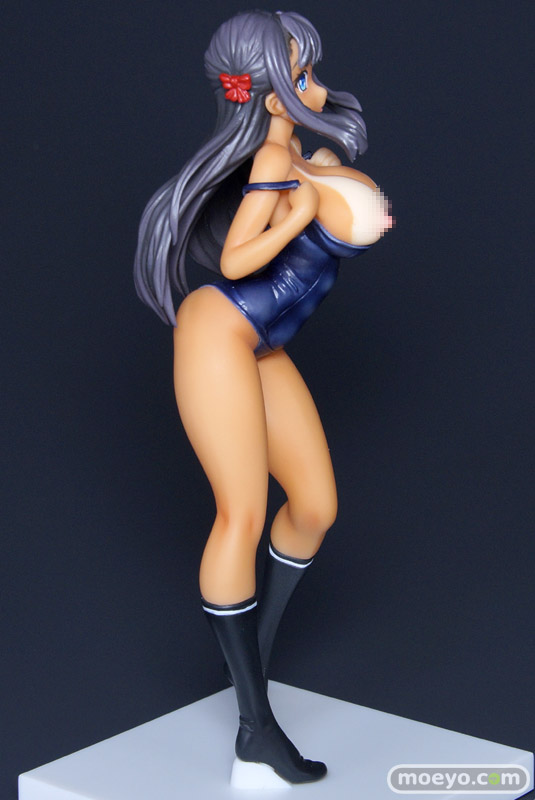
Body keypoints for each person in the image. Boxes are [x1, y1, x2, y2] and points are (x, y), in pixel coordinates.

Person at [134, 10, 392, 787]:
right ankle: (255, 725)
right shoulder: (275, 157)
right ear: (271, 93)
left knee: (313, 506)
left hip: (263, 341)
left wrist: (316, 181)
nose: (314, 85)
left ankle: (251, 659)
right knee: (242, 514)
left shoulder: (297, 152)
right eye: (300, 74)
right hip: (218, 332)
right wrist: (303, 211)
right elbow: (240, 259)